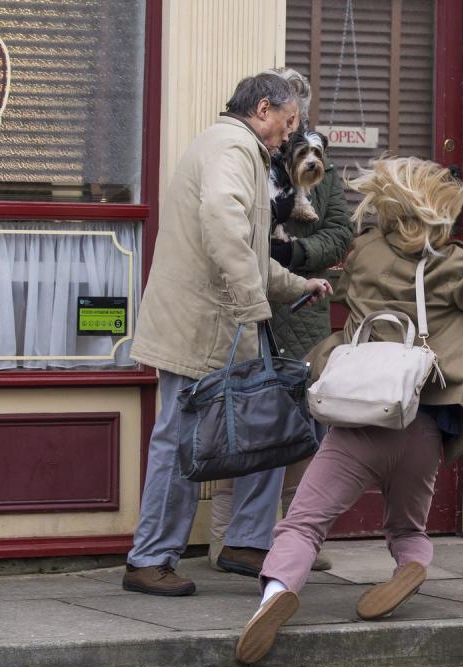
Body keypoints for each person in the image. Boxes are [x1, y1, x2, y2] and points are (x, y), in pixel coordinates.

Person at [234, 157, 463, 663]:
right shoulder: (454, 265)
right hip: (421, 422)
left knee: (302, 524)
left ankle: (275, 596)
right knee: (407, 526)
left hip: (358, 419)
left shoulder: (364, 253)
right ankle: (410, 565)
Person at [123, 73, 332, 597]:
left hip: (219, 323)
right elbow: (223, 224)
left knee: (271, 424)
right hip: (202, 326)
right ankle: (149, 558)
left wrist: (294, 284)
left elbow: (248, 249)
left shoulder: (239, 150)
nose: (289, 137)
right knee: (178, 440)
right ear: (263, 109)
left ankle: (245, 541)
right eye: (288, 124)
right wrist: (253, 302)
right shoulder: (232, 148)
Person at [208, 69, 352, 575]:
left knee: (304, 438)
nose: (294, 130)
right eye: (289, 120)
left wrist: (293, 251)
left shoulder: (325, 173)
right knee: (245, 431)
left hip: (304, 318)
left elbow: (340, 237)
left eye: (300, 118)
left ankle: (295, 541)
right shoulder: (251, 160)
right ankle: (228, 541)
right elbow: (234, 231)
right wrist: (265, 255)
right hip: (251, 313)